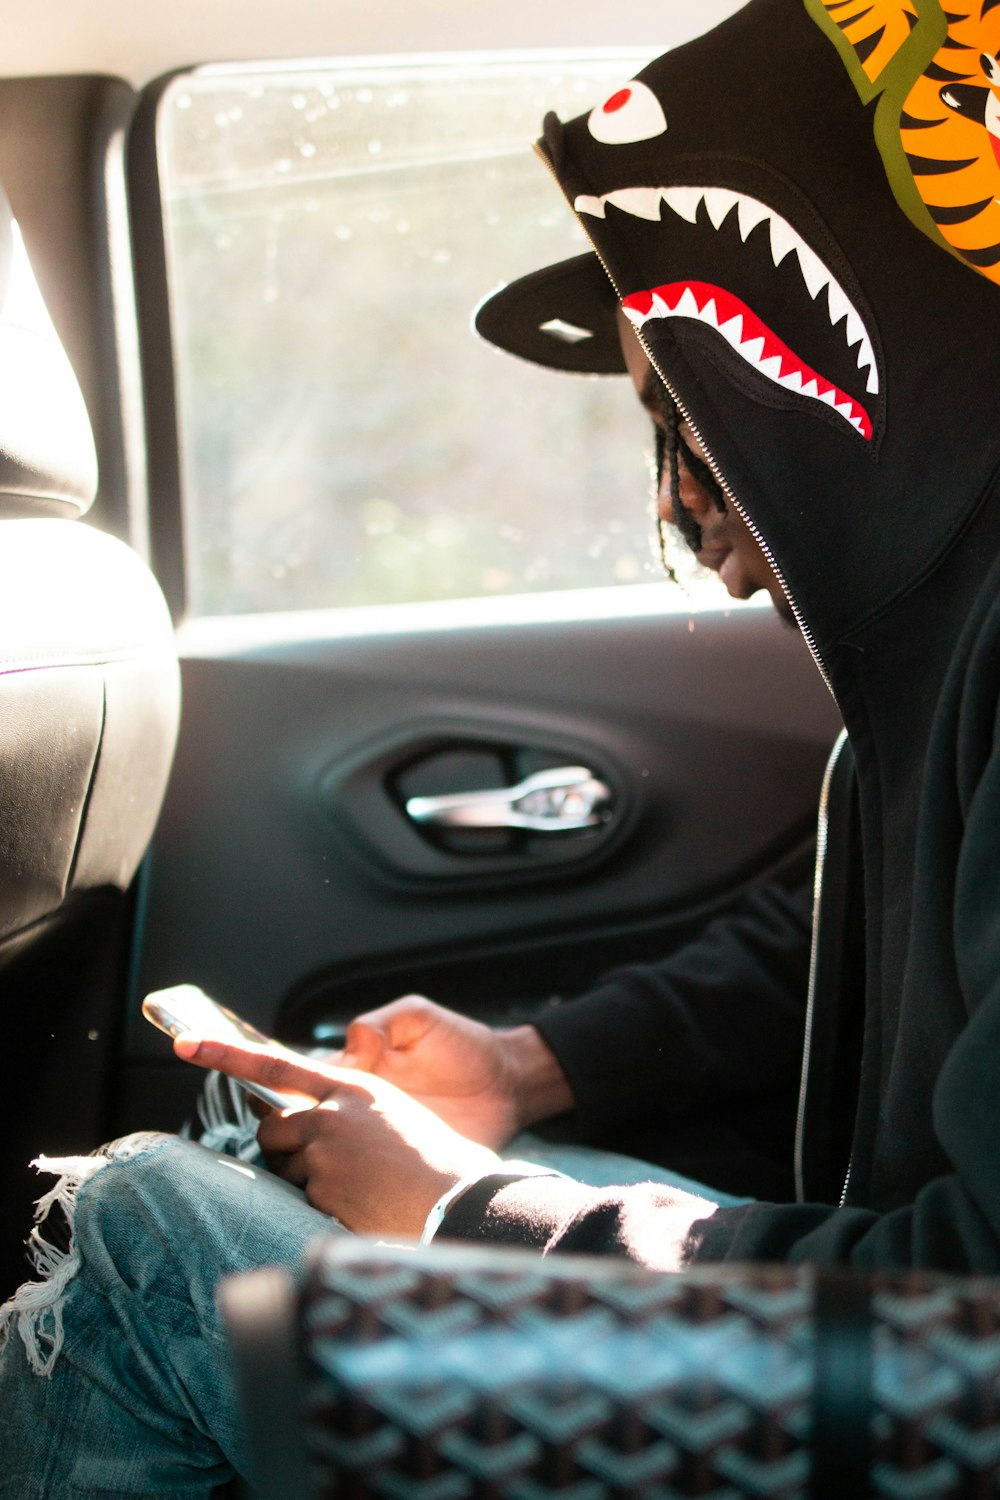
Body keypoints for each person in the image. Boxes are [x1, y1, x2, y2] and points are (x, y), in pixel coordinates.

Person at [6, 0, 1000, 1487]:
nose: (708, 541)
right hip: (885, 1367)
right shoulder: (940, 689)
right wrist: (522, 1078)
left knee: (156, 1238)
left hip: (914, 1410)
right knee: (269, 1194)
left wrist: (472, 1210)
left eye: (704, 432)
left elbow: (967, 1335)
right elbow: (847, 950)